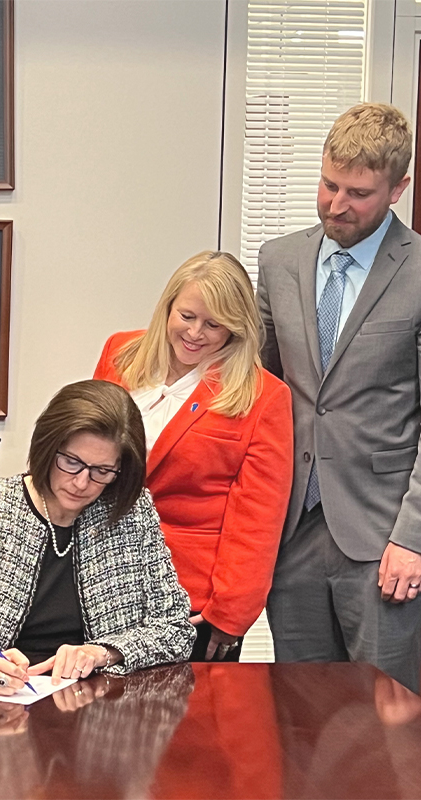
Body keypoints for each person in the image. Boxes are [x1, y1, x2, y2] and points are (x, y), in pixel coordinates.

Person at [257, 103, 421, 692]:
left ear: (398, 188)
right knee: (300, 715)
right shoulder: (279, 260)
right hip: (291, 527)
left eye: (359, 193)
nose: (336, 205)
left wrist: (412, 538)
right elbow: (258, 386)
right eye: (329, 184)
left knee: (390, 720)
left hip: (383, 539)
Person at [0, 380, 194, 695]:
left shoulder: (132, 512)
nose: (82, 482)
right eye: (71, 462)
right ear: (47, 446)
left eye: (102, 470)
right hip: (2, 700)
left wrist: (102, 652)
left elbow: (176, 629)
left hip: (102, 708)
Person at [94, 251, 293, 661]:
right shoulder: (119, 354)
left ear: (235, 329)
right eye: (187, 316)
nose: (196, 333)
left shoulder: (264, 397)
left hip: (189, 601)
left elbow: (258, 518)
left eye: (214, 324)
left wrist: (231, 613)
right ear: (168, 305)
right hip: (98, 579)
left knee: (187, 723)